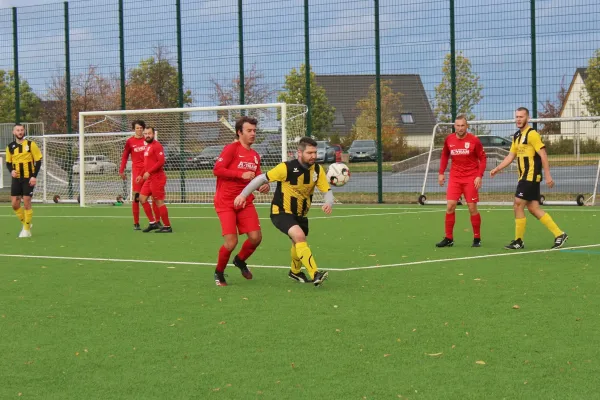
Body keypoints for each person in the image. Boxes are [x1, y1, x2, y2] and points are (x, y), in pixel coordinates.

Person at [234, 137, 333, 287]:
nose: (314, 156)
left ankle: (295, 272)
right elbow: (261, 178)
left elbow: (327, 191)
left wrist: (328, 202)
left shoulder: (317, 170)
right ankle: (315, 274)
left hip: (300, 214)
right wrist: (243, 194)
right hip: (281, 212)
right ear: (299, 153)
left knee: (297, 242)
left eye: (315, 152)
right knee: (299, 236)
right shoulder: (285, 168)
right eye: (309, 153)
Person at [490, 107, 568, 249]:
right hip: (523, 177)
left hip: (530, 176)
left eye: (521, 116)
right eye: (517, 117)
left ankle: (518, 241)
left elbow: (543, 155)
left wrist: (548, 175)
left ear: (528, 118)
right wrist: (497, 168)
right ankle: (559, 234)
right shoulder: (516, 136)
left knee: (518, 204)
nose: (518, 119)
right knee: (533, 208)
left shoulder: (532, 135)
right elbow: (510, 156)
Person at [212, 116, 269, 287]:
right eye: (249, 131)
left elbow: (256, 179)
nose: (253, 134)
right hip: (226, 202)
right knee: (231, 242)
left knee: (256, 238)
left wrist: (262, 187)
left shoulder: (255, 155)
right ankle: (219, 272)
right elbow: (217, 170)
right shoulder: (231, 149)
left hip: (245, 202)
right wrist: (240, 174)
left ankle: (240, 260)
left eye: (254, 131)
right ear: (239, 132)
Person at [436, 114, 487, 247]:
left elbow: (483, 159)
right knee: (450, 206)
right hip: (455, 178)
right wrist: (441, 173)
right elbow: (445, 155)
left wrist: (479, 176)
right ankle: (449, 238)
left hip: (471, 178)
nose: (460, 128)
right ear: (454, 126)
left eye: (462, 125)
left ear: (467, 126)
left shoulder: (474, 140)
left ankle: (477, 238)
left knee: (471, 208)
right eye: (458, 125)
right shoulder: (449, 139)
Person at [119, 120, 160, 230]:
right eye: (137, 128)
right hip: (137, 172)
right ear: (134, 129)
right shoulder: (130, 142)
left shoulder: (148, 140)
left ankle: (157, 221)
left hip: (150, 171)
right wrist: (121, 170)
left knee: (154, 197)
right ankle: (136, 223)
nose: (139, 130)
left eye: (141, 128)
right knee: (137, 198)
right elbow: (124, 157)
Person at [5, 124, 42, 238]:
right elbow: (8, 162)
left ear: (24, 131)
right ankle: (26, 223)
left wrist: (34, 176)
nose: (20, 132)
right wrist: (11, 171)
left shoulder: (31, 144)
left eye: (21, 130)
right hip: (16, 179)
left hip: (28, 178)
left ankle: (26, 230)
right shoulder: (10, 147)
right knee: (15, 205)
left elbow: (38, 161)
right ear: (14, 132)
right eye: (18, 130)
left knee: (26, 202)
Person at [137, 126, 172, 233]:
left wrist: (149, 172)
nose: (147, 135)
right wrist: (141, 174)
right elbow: (146, 164)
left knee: (158, 201)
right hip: (149, 179)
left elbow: (161, 161)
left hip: (157, 178)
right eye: (146, 133)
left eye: (149, 133)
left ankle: (167, 226)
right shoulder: (148, 146)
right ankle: (153, 223)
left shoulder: (157, 146)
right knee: (142, 199)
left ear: (153, 134)